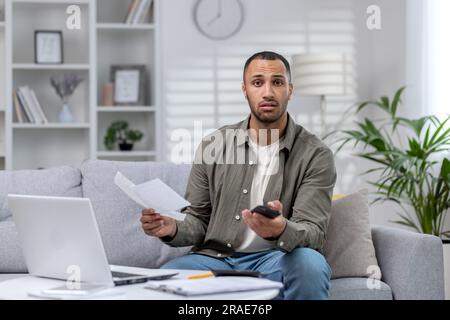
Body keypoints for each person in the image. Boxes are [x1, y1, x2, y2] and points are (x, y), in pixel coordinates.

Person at [140, 51, 336, 300]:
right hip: (216, 259)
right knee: (165, 279)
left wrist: (280, 229)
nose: (267, 92)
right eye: (257, 82)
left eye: (277, 82)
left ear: (290, 89)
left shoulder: (315, 154)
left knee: (310, 264)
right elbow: (198, 220)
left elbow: (313, 232)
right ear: (244, 89)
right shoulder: (214, 144)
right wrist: (171, 228)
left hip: (276, 259)